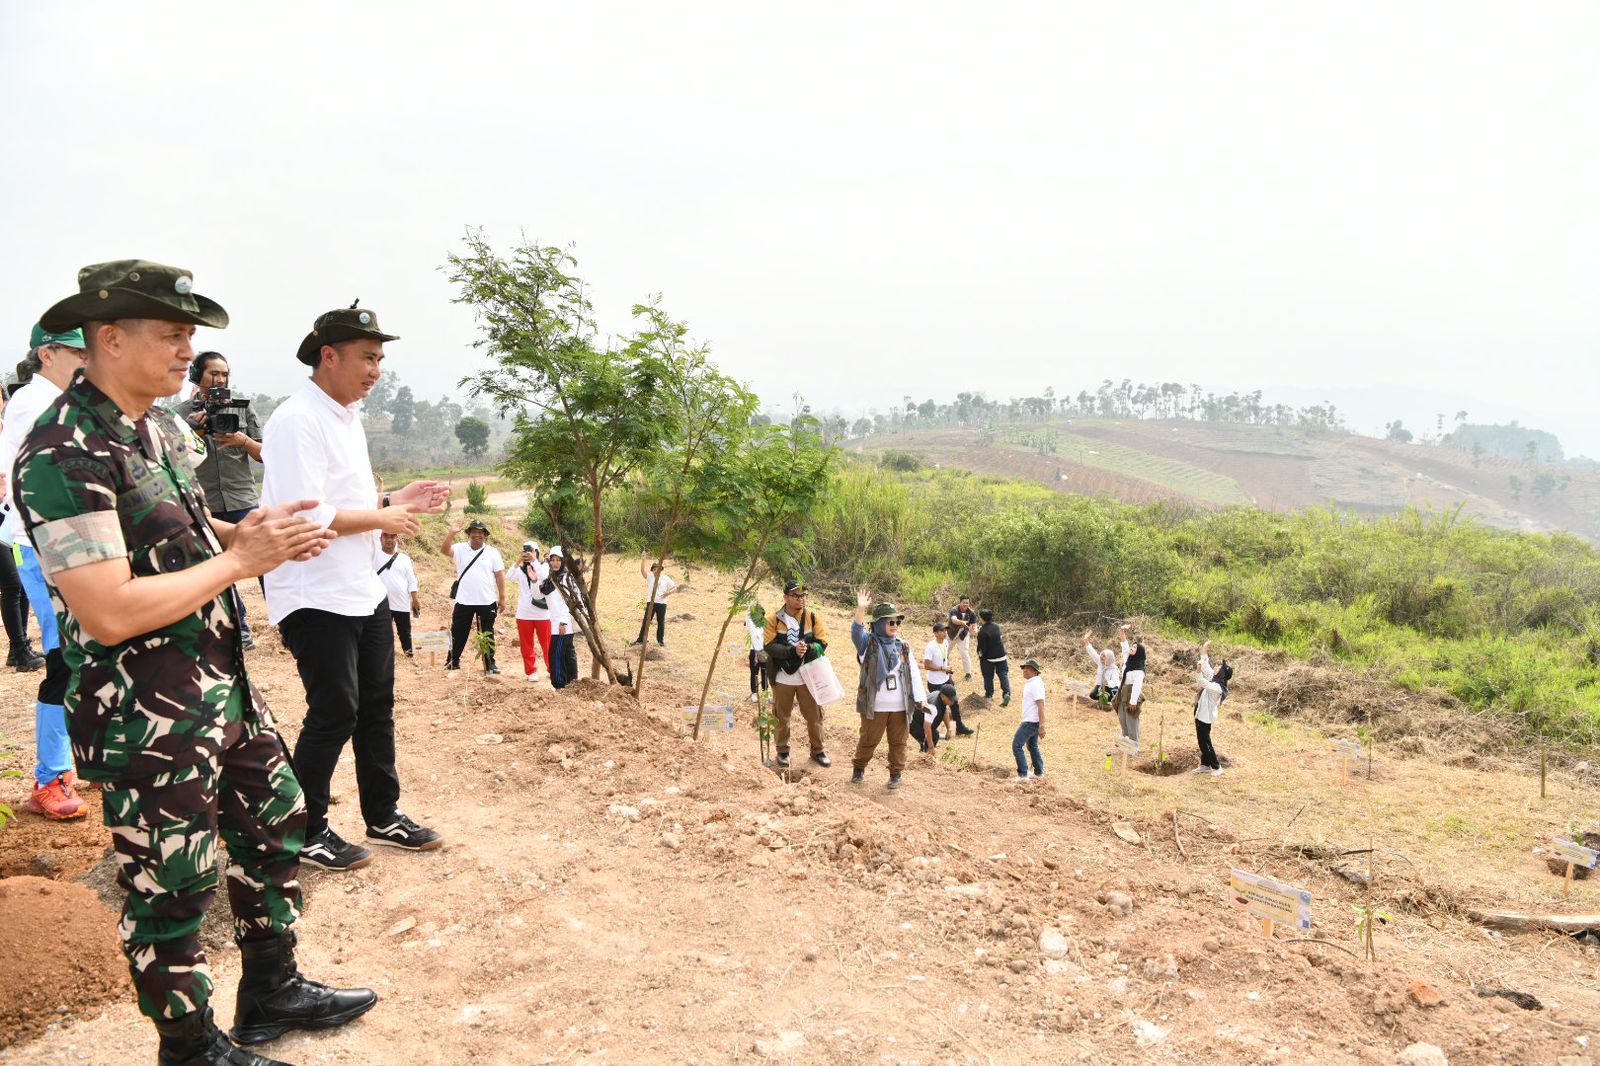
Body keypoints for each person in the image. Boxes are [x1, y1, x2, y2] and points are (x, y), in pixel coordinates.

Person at [20, 260, 375, 1063]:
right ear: (109, 338)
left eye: (191, 334)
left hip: (219, 682)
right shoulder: (62, 452)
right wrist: (239, 562)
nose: (190, 350)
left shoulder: (163, 427)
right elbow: (105, 607)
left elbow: (188, 527)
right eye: (172, 333)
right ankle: (188, 1047)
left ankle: (271, 990)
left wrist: (249, 531)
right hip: (141, 709)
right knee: (170, 884)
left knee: (275, 825)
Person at [264, 302, 451, 873]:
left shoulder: (345, 418)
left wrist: (394, 503)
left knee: (375, 706)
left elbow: (348, 502)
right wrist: (384, 519)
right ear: (329, 355)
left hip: (360, 586)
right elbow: (308, 515)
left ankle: (384, 813)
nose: (376, 370)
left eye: (379, 360)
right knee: (334, 711)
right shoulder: (297, 419)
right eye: (367, 358)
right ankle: (307, 830)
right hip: (312, 589)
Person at [1, 324, 87, 818]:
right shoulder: (35, 404)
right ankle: (48, 778)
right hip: (41, 548)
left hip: (71, 545)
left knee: (83, 657)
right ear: (46, 353)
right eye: (77, 351)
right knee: (61, 658)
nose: (85, 360)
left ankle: (76, 759)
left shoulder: (65, 400)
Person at [175, 350, 264, 649]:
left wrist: (242, 440)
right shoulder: (180, 415)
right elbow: (172, 460)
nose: (221, 379)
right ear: (196, 376)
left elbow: (266, 454)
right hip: (207, 503)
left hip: (243, 498)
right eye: (214, 373)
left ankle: (288, 620)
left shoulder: (243, 407)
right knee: (218, 568)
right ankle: (240, 627)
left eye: (225, 374)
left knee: (265, 561)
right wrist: (193, 432)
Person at [849, 588, 930, 789]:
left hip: (899, 706)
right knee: (868, 740)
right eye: (890, 622)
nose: (894, 626)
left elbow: (913, 673)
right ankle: (859, 768)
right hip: (875, 705)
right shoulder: (868, 644)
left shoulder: (903, 646)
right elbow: (856, 632)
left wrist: (921, 698)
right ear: (878, 624)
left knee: (899, 742)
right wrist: (861, 609)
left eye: (897, 622)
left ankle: (896, 774)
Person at [762, 579, 832, 768]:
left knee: (814, 716)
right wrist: (792, 651)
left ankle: (818, 750)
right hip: (782, 677)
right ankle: (782, 751)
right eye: (796, 595)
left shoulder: (812, 617)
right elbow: (769, 646)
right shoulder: (773, 619)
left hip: (807, 677)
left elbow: (822, 642)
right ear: (785, 597)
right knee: (781, 716)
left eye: (803, 595)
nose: (801, 599)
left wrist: (808, 648)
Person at [441, 519, 506, 673]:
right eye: (474, 531)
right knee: (457, 632)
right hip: (463, 601)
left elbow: (499, 576)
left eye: (481, 532)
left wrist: (502, 598)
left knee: (486, 633)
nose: (478, 535)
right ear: (469, 534)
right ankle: (452, 661)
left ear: (485, 535)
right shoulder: (460, 549)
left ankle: (489, 664)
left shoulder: (492, 552)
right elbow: (444, 550)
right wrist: (451, 533)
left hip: (487, 601)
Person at [541, 546, 583, 688]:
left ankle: (560, 685)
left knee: (556, 656)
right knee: (567, 654)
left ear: (564, 561)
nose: (555, 563)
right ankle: (572, 683)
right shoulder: (551, 578)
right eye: (552, 560)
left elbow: (568, 601)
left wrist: (563, 622)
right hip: (558, 623)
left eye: (558, 560)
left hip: (562, 624)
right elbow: (540, 594)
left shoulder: (564, 578)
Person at [509, 540, 551, 683]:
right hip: (524, 613)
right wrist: (518, 561)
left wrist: (534, 561)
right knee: (527, 645)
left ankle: (552, 669)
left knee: (547, 644)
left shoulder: (543, 565)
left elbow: (544, 576)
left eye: (532, 551)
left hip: (542, 613)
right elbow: (509, 576)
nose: (529, 554)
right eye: (526, 551)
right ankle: (531, 671)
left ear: (537, 552)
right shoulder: (520, 570)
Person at [374, 532, 420, 657]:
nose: (389, 539)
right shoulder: (374, 555)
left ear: (397, 538)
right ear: (380, 538)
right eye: (386, 536)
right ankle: (384, 654)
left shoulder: (404, 559)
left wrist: (415, 599)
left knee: (404, 631)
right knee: (382, 631)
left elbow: (411, 580)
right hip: (380, 603)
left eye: (392, 536)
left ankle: (408, 653)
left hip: (401, 602)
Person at [1194, 648, 1232, 777]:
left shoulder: (1217, 687)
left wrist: (1198, 671)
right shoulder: (1215, 679)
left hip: (1205, 717)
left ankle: (1217, 767)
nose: (1215, 668)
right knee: (1202, 740)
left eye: (1219, 668)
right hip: (1200, 713)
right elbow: (1206, 666)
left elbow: (1202, 682)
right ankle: (1205, 764)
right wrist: (1204, 651)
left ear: (1221, 673)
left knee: (1205, 742)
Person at [631, 550, 679, 647]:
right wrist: (643, 559)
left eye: (659, 569)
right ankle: (640, 640)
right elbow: (642, 572)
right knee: (646, 621)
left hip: (662, 603)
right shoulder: (650, 577)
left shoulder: (666, 578)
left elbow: (675, 588)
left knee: (661, 622)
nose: (657, 570)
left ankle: (660, 641)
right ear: (652, 570)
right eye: (655, 569)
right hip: (651, 602)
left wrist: (668, 593)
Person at [1013, 658, 1047, 781]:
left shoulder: (1035, 684)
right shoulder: (1033, 682)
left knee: (1017, 745)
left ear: (1034, 670)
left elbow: (1041, 705)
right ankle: (1039, 773)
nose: (1024, 670)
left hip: (1031, 722)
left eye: (1027, 668)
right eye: (1023, 668)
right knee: (1032, 746)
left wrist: (1042, 726)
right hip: (1032, 721)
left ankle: (1023, 775)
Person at [1113, 624, 1147, 745]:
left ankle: (1134, 745)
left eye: (1135, 647)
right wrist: (1122, 630)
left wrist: (1133, 702)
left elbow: (1137, 686)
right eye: (1132, 646)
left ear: (1139, 653)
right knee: (1122, 717)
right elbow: (1123, 644)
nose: (1132, 648)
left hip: (1132, 695)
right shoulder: (1128, 660)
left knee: (1131, 720)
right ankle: (1125, 741)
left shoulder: (1139, 670)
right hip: (1123, 691)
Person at [923, 621, 955, 740]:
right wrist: (942, 668)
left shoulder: (946, 642)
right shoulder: (930, 647)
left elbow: (945, 659)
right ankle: (933, 733)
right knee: (937, 708)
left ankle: (950, 728)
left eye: (945, 630)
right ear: (936, 633)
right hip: (935, 681)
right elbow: (926, 665)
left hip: (945, 678)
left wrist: (948, 670)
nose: (945, 632)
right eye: (942, 631)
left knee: (948, 704)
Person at [976, 607, 1010, 707]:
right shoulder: (996, 626)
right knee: (1003, 674)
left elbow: (983, 648)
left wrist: (980, 655)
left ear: (982, 618)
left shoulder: (982, 632)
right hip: (1001, 656)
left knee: (988, 676)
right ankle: (1006, 694)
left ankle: (989, 695)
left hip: (989, 659)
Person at [1082, 630, 1121, 707]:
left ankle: (1114, 699)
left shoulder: (1114, 669)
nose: (1101, 657)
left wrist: (1107, 683)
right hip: (1100, 685)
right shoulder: (1100, 662)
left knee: (1106, 696)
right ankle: (1104, 700)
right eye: (1101, 655)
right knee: (1092, 695)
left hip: (1109, 688)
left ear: (1109, 658)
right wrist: (1086, 640)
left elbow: (1115, 682)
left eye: (1104, 656)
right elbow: (1092, 652)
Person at [947, 596, 977, 681]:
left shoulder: (971, 613)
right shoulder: (954, 610)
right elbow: (953, 620)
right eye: (964, 602)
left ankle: (968, 674)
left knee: (964, 653)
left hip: (963, 635)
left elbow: (974, 625)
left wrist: (975, 630)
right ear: (960, 602)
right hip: (951, 634)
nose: (965, 604)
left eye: (967, 603)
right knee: (945, 653)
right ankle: (947, 671)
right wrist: (962, 622)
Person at [744, 605, 769, 702]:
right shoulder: (751, 625)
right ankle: (754, 693)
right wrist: (751, 605)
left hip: (764, 651)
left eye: (761, 614)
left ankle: (765, 692)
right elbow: (748, 615)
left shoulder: (765, 625)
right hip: (754, 651)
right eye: (757, 614)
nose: (759, 616)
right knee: (754, 673)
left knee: (765, 672)